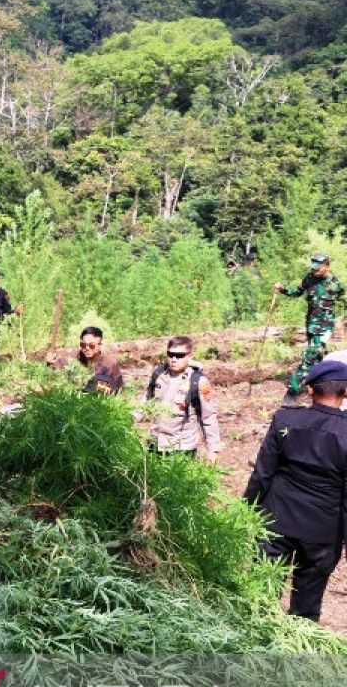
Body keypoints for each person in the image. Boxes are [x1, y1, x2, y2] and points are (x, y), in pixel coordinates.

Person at [244, 359, 347, 622]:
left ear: (310, 390)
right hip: (323, 530)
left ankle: (256, 650)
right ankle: (295, 657)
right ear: (345, 393)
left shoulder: (285, 419)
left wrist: (246, 512)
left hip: (275, 521)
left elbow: (263, 473)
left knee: (261, 596)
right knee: (306, 607)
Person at [275, 252, 345, 407]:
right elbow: (297, 292)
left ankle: (292, 393)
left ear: (327, 267)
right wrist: (283, 289)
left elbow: (342, 298)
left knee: (308, 358)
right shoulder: (308, 278)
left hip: (324, 327)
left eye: (318, 268)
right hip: (311, 325)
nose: (315, 270)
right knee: (316, 357)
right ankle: (319, 388)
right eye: (313, 267)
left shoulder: (335, 284)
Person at [143, 336, 222, 463]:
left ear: (189, 356)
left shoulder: (198, 382)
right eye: (170, 354)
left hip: (182, 448)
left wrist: (213, 450)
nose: (174, 359)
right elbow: (147, 401)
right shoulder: (159, 375)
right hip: (156, 443)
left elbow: (209, 417)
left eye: (179, 355)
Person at [53, 326, 124, 395]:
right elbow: (55, 369)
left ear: (100, 346)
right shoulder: (73, 357)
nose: (87, 348)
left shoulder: (110, 363)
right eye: (83, 345)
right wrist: (50, 363)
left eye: (91, 346)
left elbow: (119, 387)